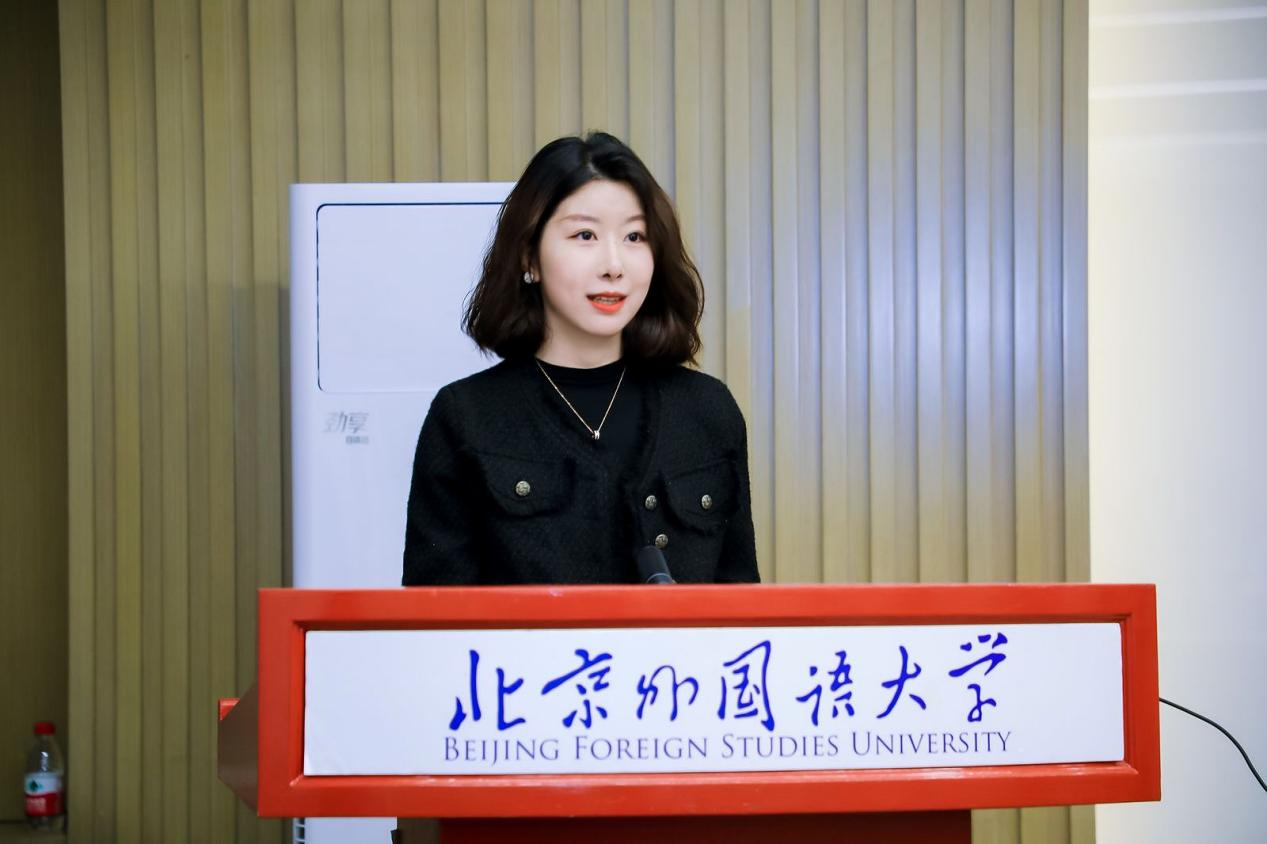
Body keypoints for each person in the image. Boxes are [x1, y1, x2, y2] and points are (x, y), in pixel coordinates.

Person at [403, 132, 758, 586]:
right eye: (585, 235)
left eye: (634, 236)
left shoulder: (708, 411)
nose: (614, 265)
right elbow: (433, 617)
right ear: (530, 257)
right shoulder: (465, 418)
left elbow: (742, 605)